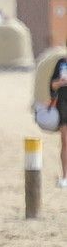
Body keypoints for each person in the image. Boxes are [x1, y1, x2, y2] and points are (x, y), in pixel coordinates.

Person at [50, 43, 67, 188]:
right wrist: (60, 82)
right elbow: (52, 85)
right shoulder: (61, 63)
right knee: (65, 141)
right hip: (63, 105)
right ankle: (65, 176)